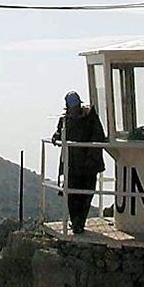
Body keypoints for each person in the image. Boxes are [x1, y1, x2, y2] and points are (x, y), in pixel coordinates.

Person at [51, 91, 107, 234]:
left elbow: (98, 137)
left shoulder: (90, 118)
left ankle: (79, 222)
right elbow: (59, 133)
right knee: (72, 194)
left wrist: (90, 158)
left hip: (87, 165)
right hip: (73, 165)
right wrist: (57, 136)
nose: (73, 109)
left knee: (86, 194)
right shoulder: (66, 120)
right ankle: (76, 222)